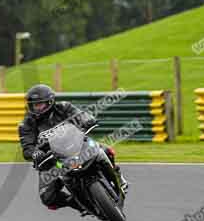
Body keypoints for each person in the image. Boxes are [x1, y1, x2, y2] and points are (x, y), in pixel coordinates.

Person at [19, 84, 128, 213]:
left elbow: (80, 115)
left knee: (105, 150)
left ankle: (118, 176)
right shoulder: (27, 124)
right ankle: (78, 204)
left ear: (50, 101)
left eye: (40, 104)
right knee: (47, 197)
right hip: (52, 160)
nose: (36, 108)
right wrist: (35, 154)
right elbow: (27, 148)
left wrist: (87, 120)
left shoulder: (64, 107)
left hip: (77, 145)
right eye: (33, 105)